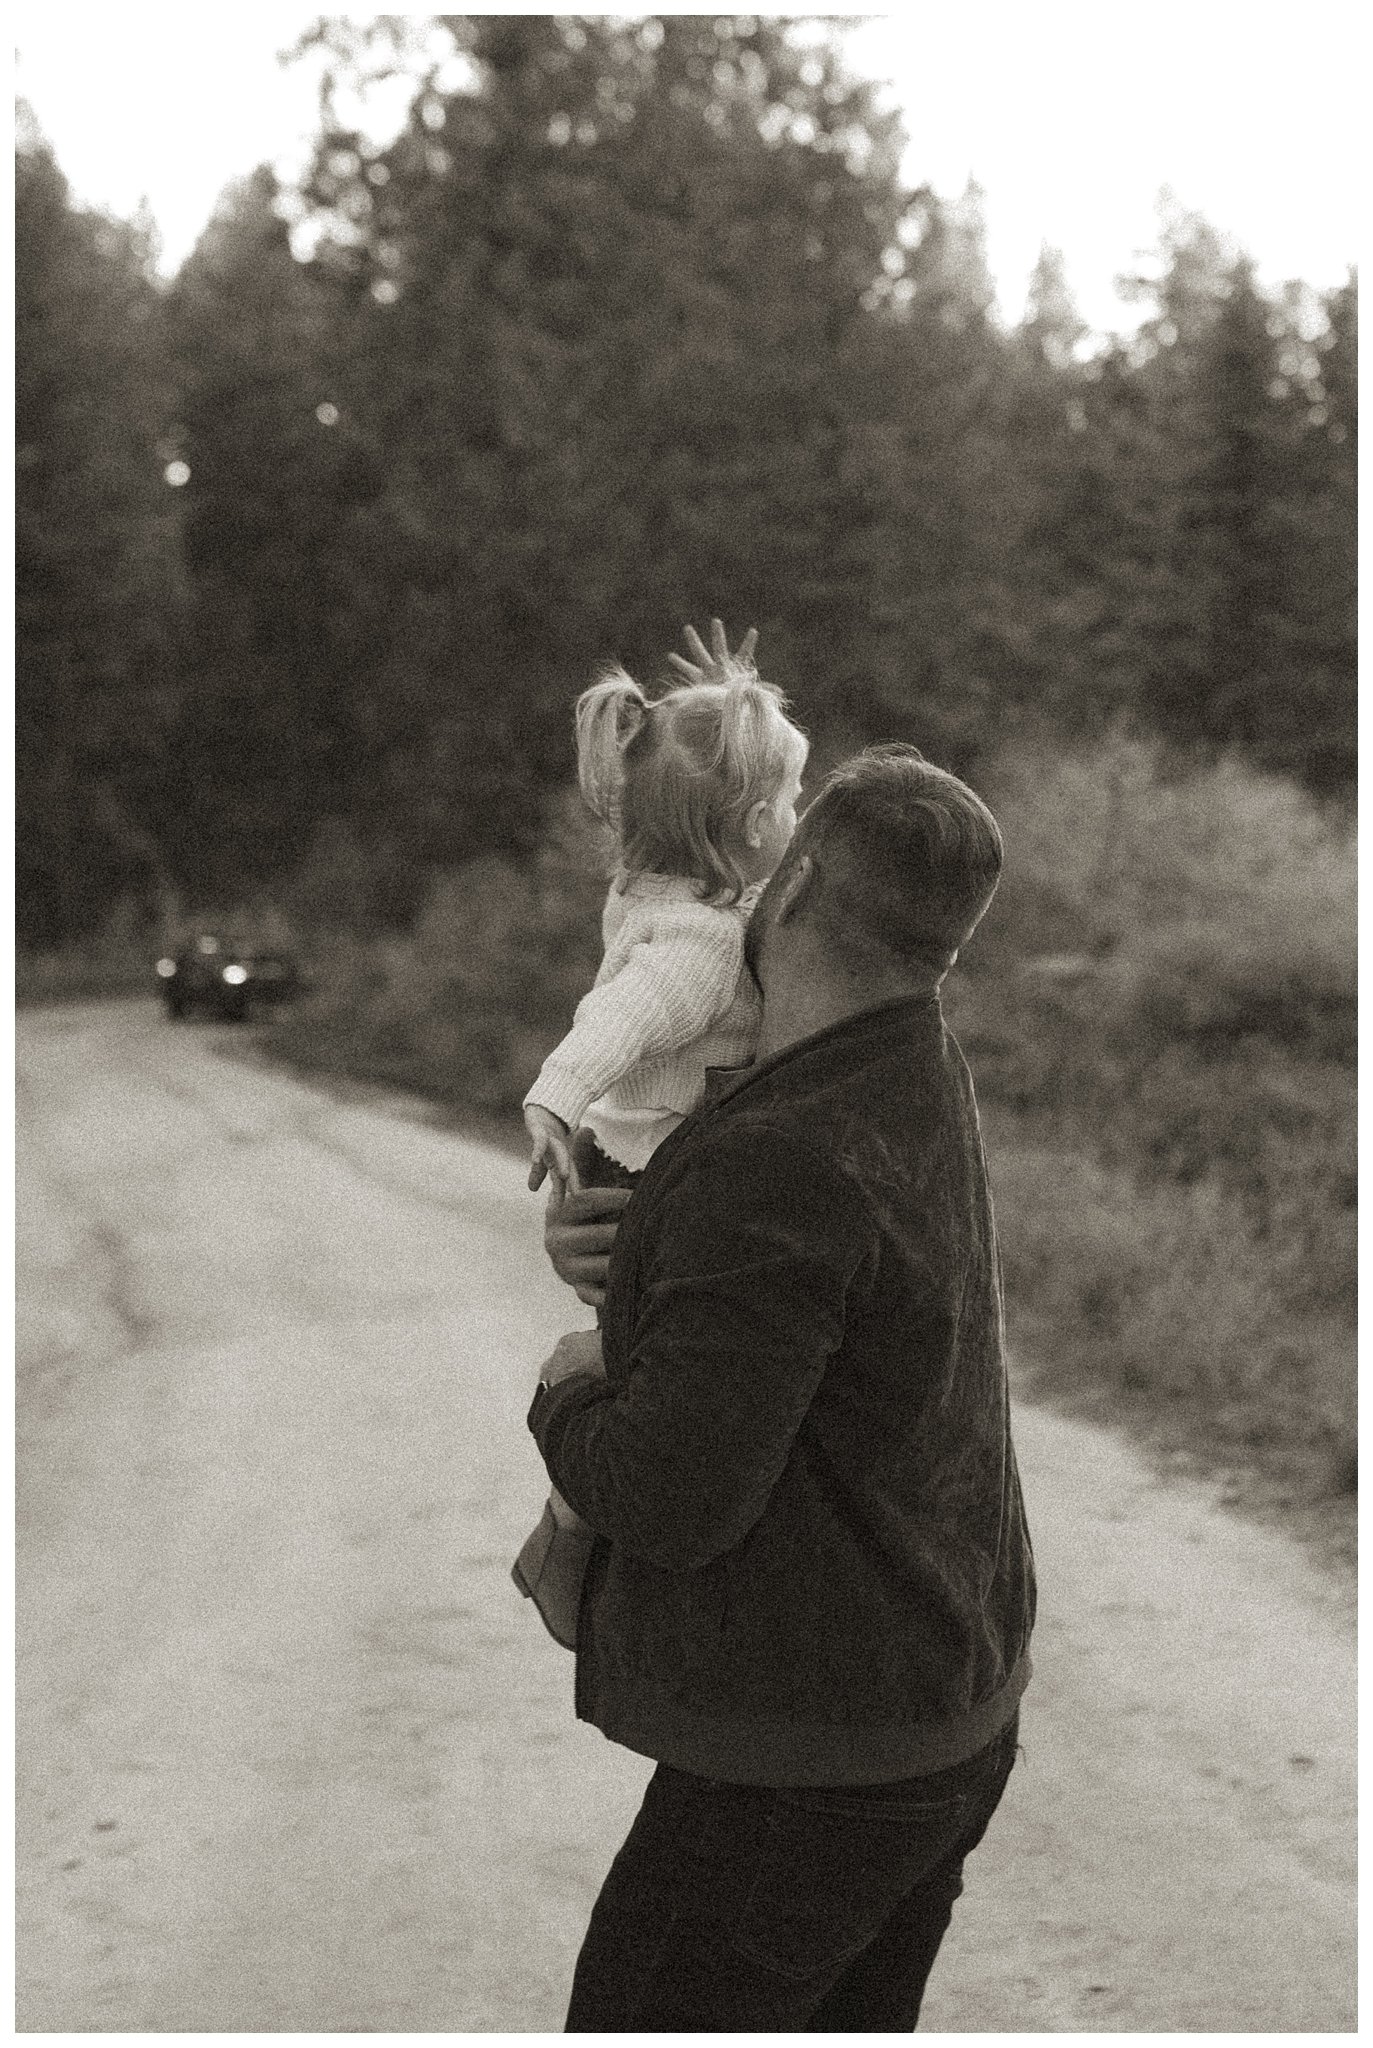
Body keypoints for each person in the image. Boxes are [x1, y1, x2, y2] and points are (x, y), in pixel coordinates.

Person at [527, 709, 1036, 2031]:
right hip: (943, 1712)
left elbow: (668, 1497)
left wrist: (567, 1383)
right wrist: (643, 1259)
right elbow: (815, 1296)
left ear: (797, 882)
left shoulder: (784, 1148)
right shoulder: (901, 1064)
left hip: (816, 1757)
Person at [512, 623, 809, 1648]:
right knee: (642, 1379)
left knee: (643, 1368)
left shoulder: (661, 887)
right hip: (643, 1171)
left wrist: (724, 710)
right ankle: (568, 1531)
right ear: (744, 832)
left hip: (632, 1152)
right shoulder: (701, 943)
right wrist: (553, 1096)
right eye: (786, 805)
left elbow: (709, 828)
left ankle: (572, 1534)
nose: (800, 820)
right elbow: (617, 1022)